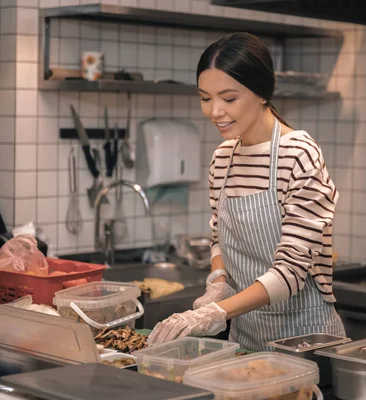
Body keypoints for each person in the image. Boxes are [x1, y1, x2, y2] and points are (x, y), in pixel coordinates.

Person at [147, 32, 345, 351]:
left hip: (305, 344)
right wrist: (219, 282)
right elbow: (219, 237)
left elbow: (291, 272)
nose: (214, 112)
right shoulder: (223, 158)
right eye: (205, 97)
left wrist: (216, 312)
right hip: (245, 342)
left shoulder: (299, 154)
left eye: (228, 98)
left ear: (262, 93)